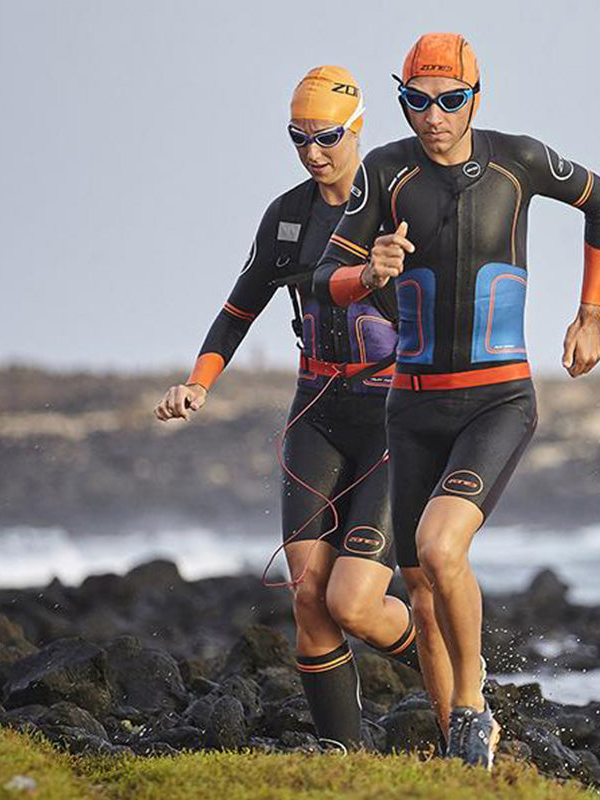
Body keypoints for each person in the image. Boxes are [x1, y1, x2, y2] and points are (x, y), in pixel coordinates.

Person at [313, 34, 600, 768]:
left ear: (475, 97)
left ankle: (475, 704)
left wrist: (591, 315)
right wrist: (368, 272)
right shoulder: (384, 171)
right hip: (412, 408)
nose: (433, 115)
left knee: (439, 545)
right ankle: (463, 752)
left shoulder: (518, 160)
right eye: (416, 101)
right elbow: (327, 274)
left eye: (450, 100)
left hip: (496, 400)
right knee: (419, 588)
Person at [154, 66, 418, 752]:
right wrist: (199, 382)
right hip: (318, 414)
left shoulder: (399, 208)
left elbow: (438, 322)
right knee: (307, 596)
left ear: (356, 130)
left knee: (354, 603)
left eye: (326, 137)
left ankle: (452, 665)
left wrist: (384, 277)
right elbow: (239, 310)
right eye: (298, 138)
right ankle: (344, 759)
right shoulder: (286, 216)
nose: (313, 152)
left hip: (392, 417)